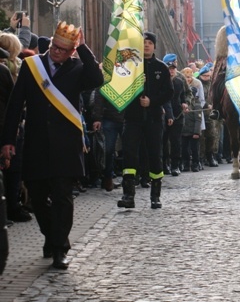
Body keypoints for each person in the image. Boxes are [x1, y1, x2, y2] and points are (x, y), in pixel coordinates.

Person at [0, 21, 103, 269]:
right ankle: (51, 235)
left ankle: (60, 248)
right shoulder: (32, 66)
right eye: (55, 47)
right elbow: (15, 104)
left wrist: (85, 49)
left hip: (67, 145)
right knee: (36, 196)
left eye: (62, 50)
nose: (56, 52)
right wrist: (7, 141)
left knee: (62, 197)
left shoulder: (78, 68)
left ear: (71, 51)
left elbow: (97, 79)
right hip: (36, 142)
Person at [117, 32, 173, 210]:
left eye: (150, 43)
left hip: (154, 119)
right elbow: (120, 86)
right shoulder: (131, 66)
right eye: (143, 42)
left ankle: (155, 196)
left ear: (154, 46)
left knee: (155, 156)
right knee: (130, 155)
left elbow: (169, 92)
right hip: (132, 118)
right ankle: (128, 195)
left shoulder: (161, 68)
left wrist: (152, 101)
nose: (147, 45)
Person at [161, 54, 187, 176]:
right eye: (169, 69)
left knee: (176, 141)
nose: (171, 71)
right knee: (163, 141)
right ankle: (164, 164)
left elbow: (183, 97)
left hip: (177, 115)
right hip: (164, 115)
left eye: (173, 69)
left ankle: (175, 165)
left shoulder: (179, 82)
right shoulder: (161, 82)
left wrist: (184, 104)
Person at [197, 63, 218, 168]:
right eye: (204, 76)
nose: (206, 78)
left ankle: (210, 156)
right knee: (201, 137)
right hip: (200, 113)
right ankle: (200, 158)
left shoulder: (212, 84)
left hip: (210, 114)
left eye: (208, 76)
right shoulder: (197, 83)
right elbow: (199, 98)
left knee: (211, 136)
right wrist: (206, 105)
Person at [182, 86, 203, 172]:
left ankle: (195, 164)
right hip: (184, 131)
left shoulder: (196, 105)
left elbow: (198, 120)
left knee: (195, 149)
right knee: (184, 149)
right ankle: (186, 164)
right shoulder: (183, 104)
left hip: (193, 132)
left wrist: (197, 132)